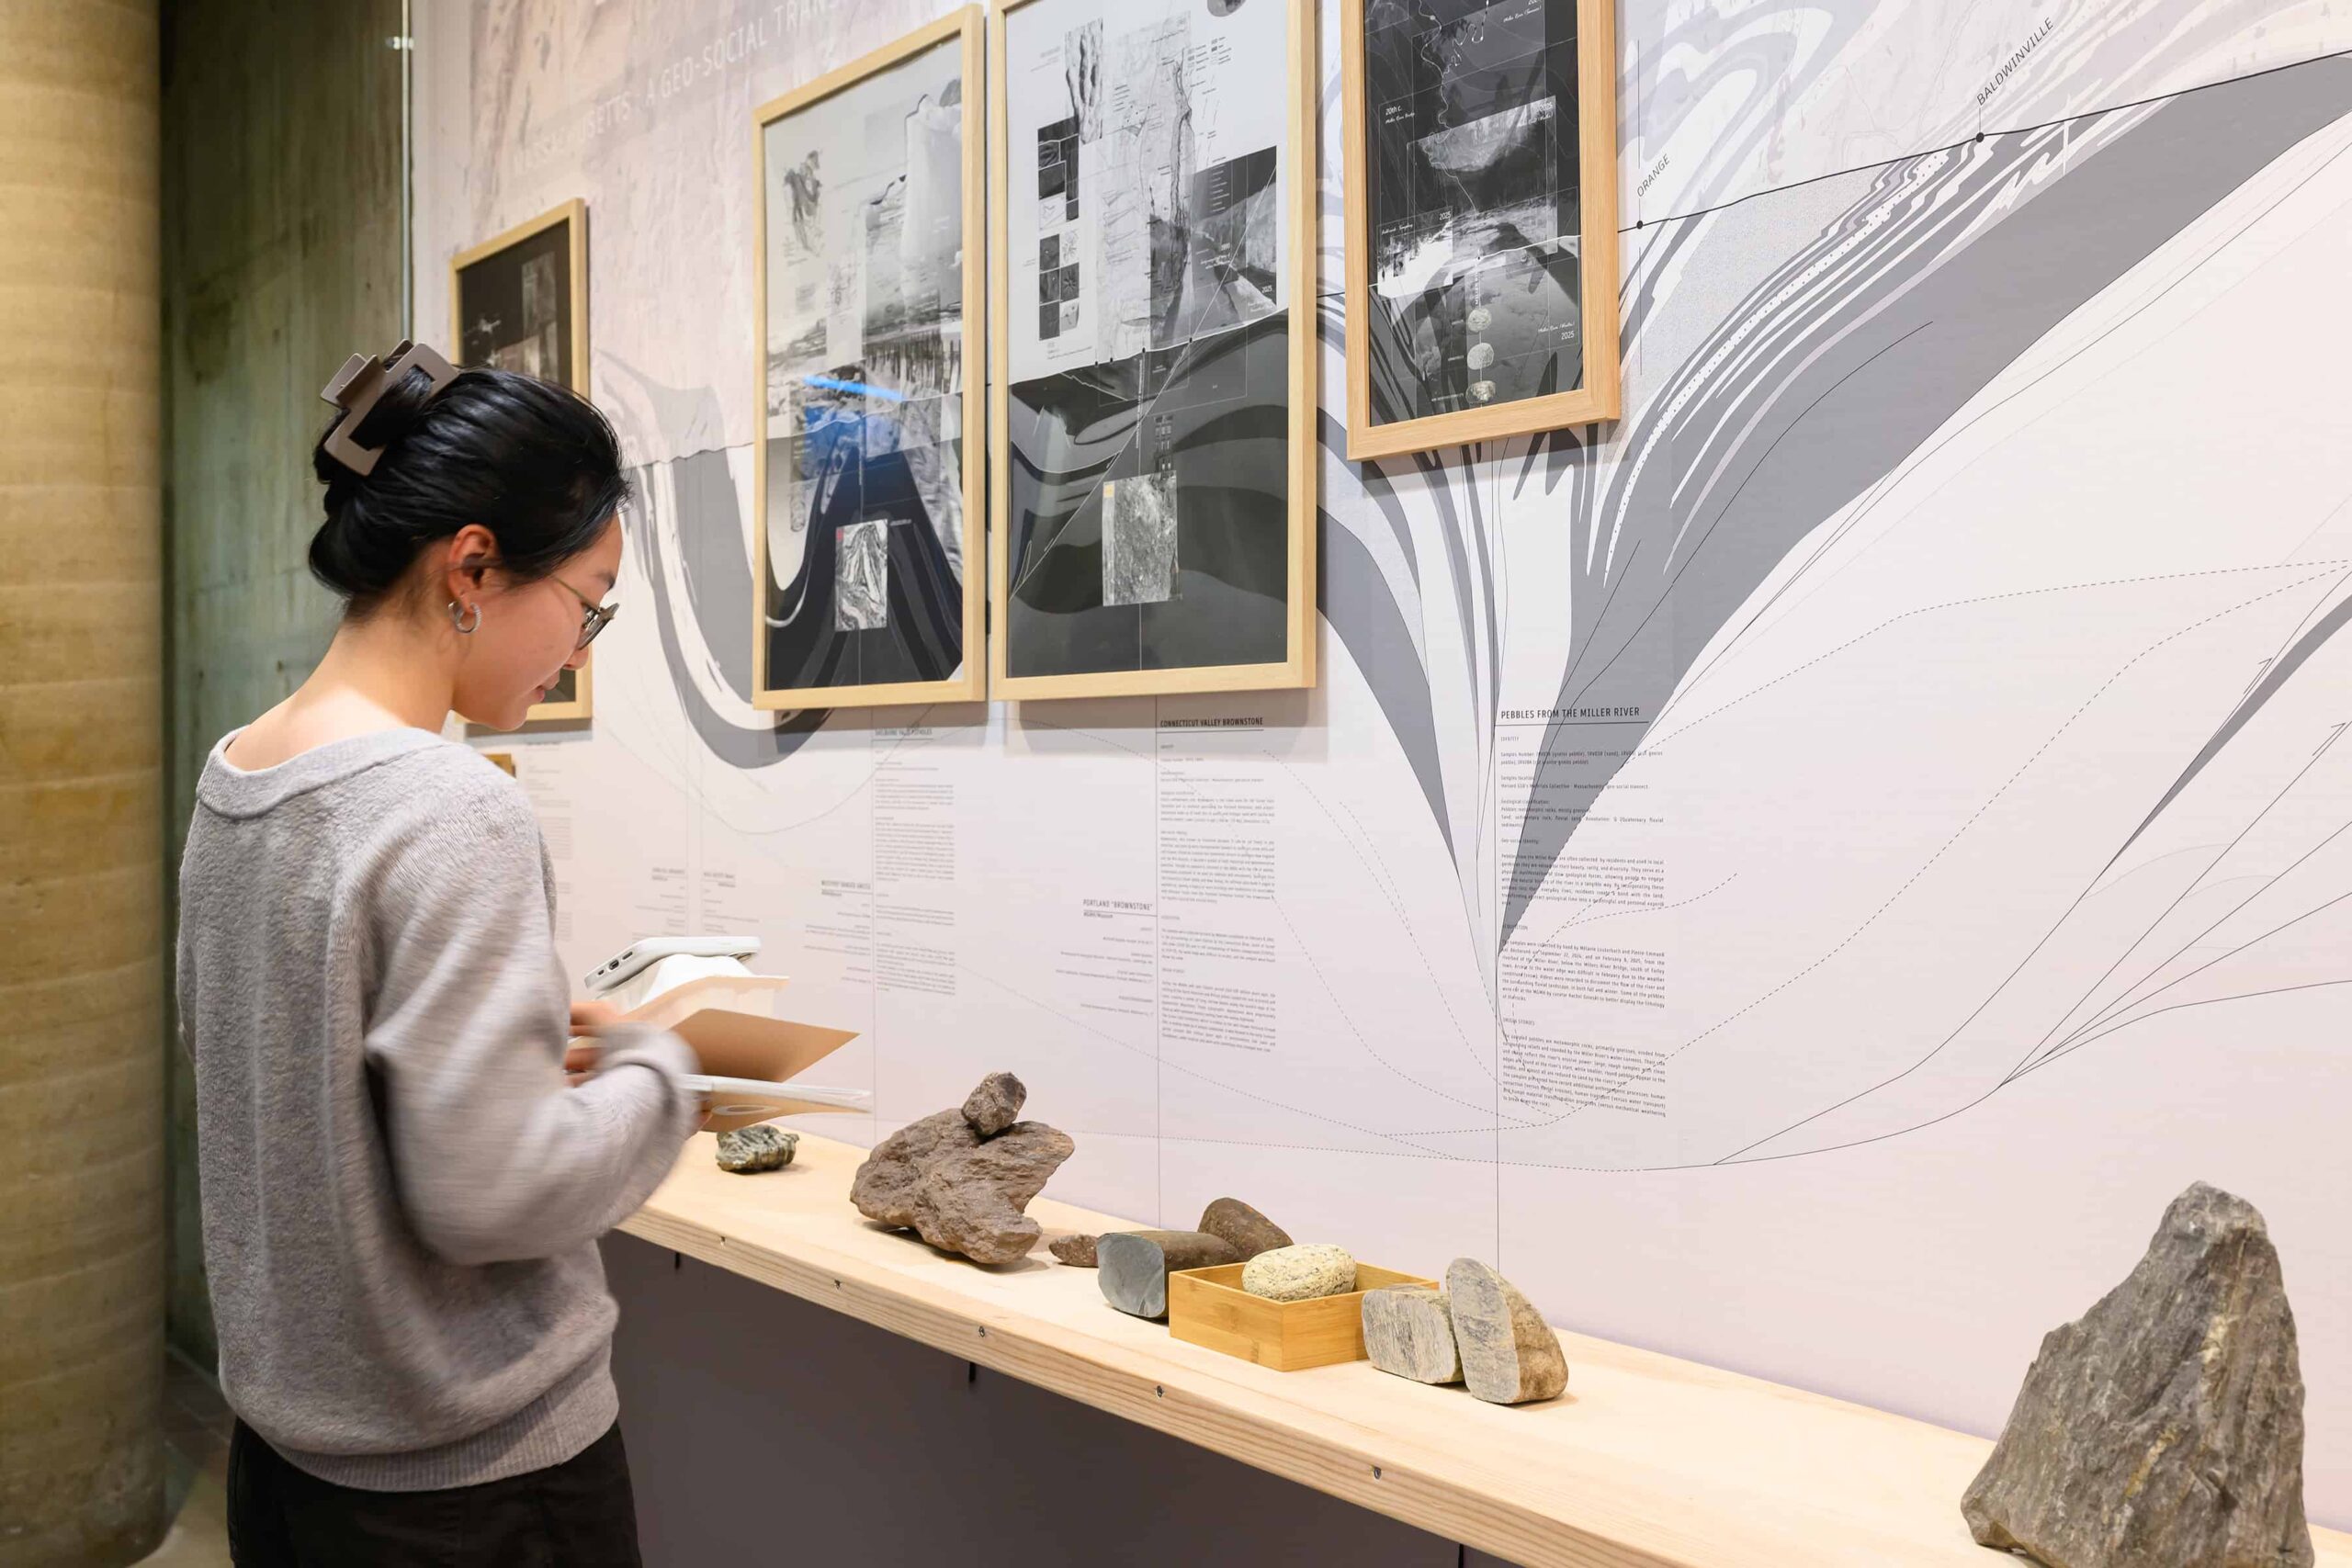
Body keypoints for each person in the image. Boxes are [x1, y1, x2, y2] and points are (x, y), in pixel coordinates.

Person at [175, 344, 704, 1565]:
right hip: (474, 1500)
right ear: (473, 565)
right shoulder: (449, 805)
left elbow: (299, 1094)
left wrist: (498, 1057)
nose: (582, 647)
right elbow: (498, 1194)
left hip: (288, 1475)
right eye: (589, 601)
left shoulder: (239, 773)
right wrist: (658, 1074)